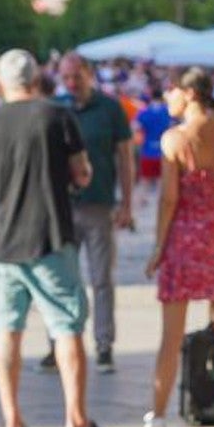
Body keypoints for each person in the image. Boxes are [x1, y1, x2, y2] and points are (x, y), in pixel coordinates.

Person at [0, 49, 109, 427]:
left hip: (1, 242)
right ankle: (75, 421)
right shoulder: (57, 116)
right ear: (36, 81)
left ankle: (12, 420)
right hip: (50, 237)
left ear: (0, 85)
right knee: (67, 328)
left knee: (6, 331)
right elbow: (83, 173)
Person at [141, 68, 214, 427]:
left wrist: (158, 246)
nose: (167, 99)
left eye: (170, 92)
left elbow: (169, 198)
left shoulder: (175, 139)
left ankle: (157, 417)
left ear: (188, 94)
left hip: (184, 238)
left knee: (171, 335)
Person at [40, 53, 134, 374]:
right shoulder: (55, 107)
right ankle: (57, 342)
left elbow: (124, 157)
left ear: (89, 74)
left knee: (101, 277)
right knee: (60, 278)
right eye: (65, 78)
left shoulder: (109, 108)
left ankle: (104, 343)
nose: (71, 84)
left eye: (76, 77)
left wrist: (128, 202)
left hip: (98, 203)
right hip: (61, 206)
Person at [135, 84, 173, 205]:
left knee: (145, 180)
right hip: (164, 152)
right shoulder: (168, 111)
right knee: (162, 181)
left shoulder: (144, 112)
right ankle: (163, 203)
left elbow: (135, 127)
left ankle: (139, 203)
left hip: (148, 151)